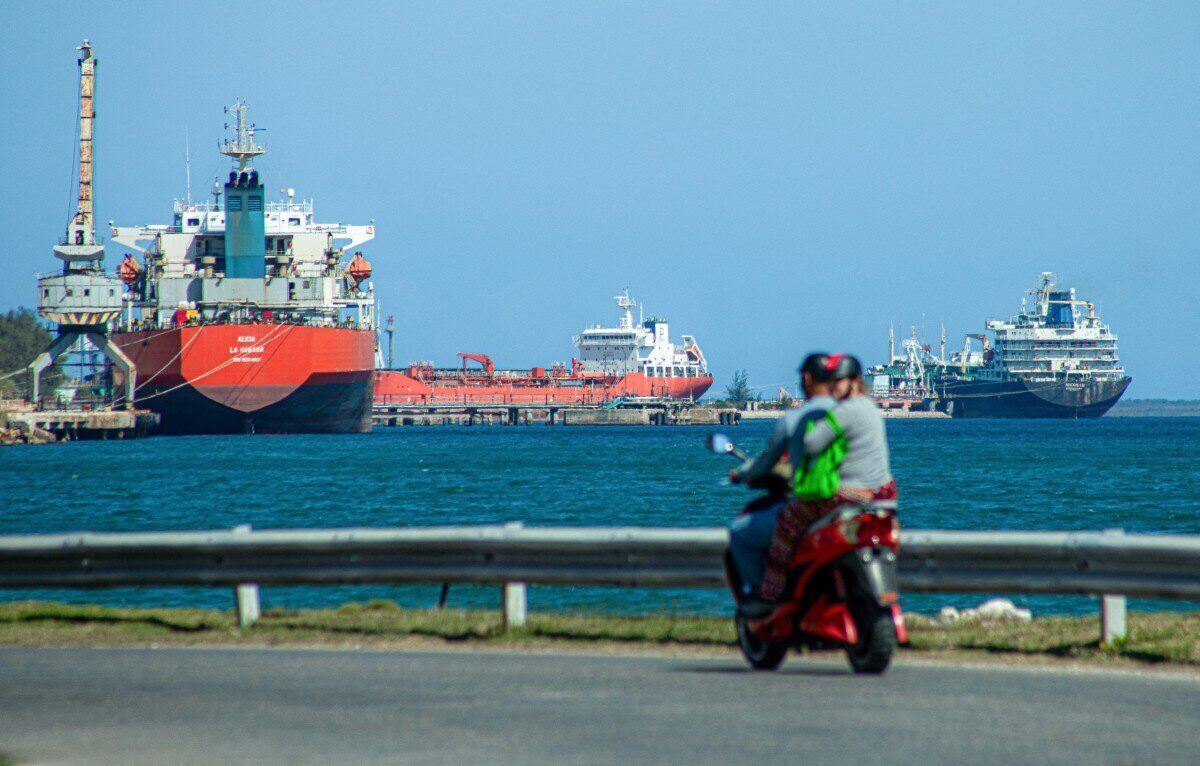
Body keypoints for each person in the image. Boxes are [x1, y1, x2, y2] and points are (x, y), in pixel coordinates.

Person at [751, 354, 897, 611]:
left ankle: (770, 597)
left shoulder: (844, 411)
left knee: (786, 525)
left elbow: (811, 443)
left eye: (838, 380)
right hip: (885, 495)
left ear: (853, 381)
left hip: (852, 494)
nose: (832, 386)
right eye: (830, 380)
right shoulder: (872, 408)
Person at [726, 353, 840, 597]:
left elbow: (766, 460)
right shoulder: (850, 414)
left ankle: (761, 596)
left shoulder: (795, 418)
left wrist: (743, 474)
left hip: (813, 505)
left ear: (807, 378)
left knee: (741, 533)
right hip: (849, 506)